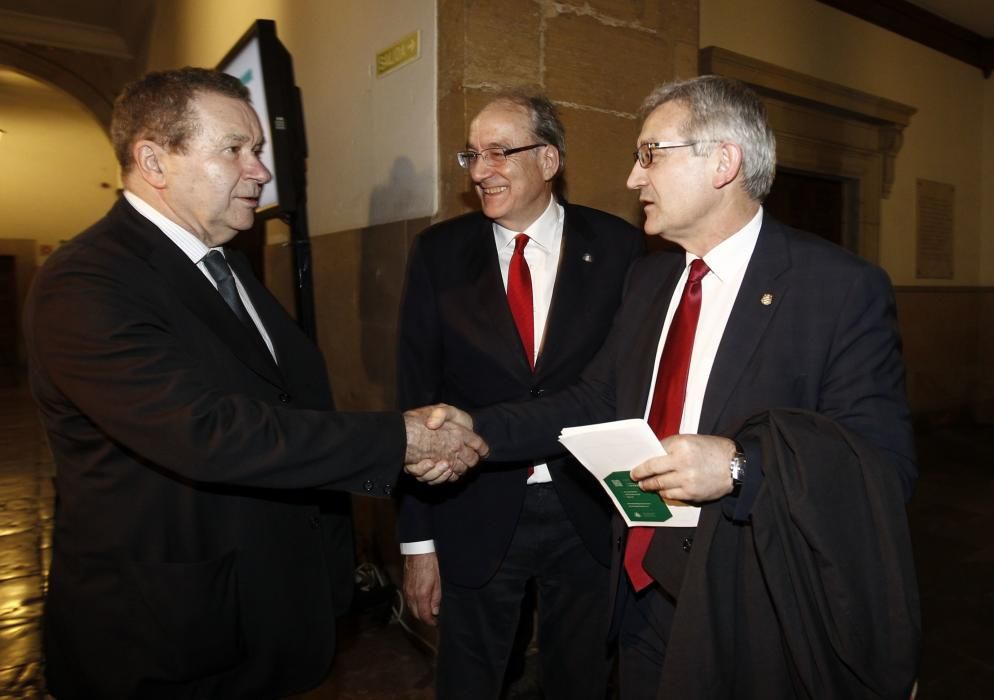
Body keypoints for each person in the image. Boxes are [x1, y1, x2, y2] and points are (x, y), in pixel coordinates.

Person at [431, 75, 920, 698]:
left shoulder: (840, 289)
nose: (635, 179)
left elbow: (883, 470)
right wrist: (475, 430)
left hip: (748, 607)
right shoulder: (648, 282)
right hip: (640, 595)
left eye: (649, 155)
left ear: (723, 161)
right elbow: (593, 400)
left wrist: (742, 467)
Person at [24, 67, 486, 699]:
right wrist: (401, 441)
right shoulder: (87, 281)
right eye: (234, 150)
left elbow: (283, 401)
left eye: (259, 151)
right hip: (171, 634)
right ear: (153, 161)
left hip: (270, 610)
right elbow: (204, 432)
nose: (260, 172)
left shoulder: (226, 263)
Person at [396, 90, 643, 699]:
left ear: (549, 161)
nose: (481, 171)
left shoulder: (620, 248)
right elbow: (414, 396)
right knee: (470, 679)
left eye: (500, 152)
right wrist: (418, 544)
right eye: (472, 155)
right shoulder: (439, 253)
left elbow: (631, 387)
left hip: (589, 505)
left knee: (580, 679)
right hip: (472, 508)